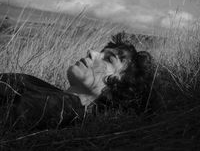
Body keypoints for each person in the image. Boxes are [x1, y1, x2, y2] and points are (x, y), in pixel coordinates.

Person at [0, 36, 157, 131]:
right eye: (101, 52)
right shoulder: (59, 99)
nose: (92, 52)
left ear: (115, 88)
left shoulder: (62, 107)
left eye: (109, 59)